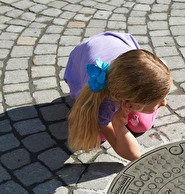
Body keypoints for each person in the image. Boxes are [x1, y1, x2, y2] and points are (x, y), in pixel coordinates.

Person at [64, 32, 173, 161]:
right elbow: (133, 155)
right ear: (129, 103)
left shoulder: (149, 67)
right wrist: (118, 126)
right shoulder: (102, 105)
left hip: (115, 45)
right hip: (79, 59)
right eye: (158, 101)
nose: (165, 103)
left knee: (142, 124)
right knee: (99, 137)